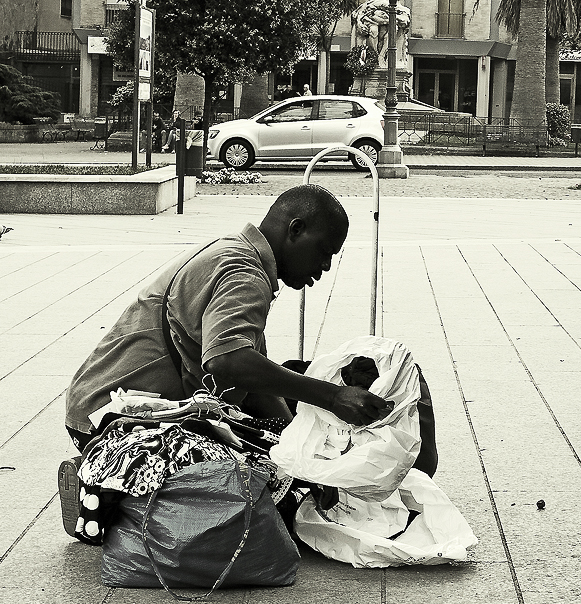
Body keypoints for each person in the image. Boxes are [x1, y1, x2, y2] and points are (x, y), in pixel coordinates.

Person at [59, 186, 403, 530]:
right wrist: (331, 396)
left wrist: (293, 450)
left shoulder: (235, 252)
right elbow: (227, 361)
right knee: (267, 502)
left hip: (100, 406)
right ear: (295, 230)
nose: (326, 266)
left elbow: (254, 382)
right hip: (111, 421)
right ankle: (105, 485)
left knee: (283, 468)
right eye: (324, 252)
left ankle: (114, 487)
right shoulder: (245, 273)